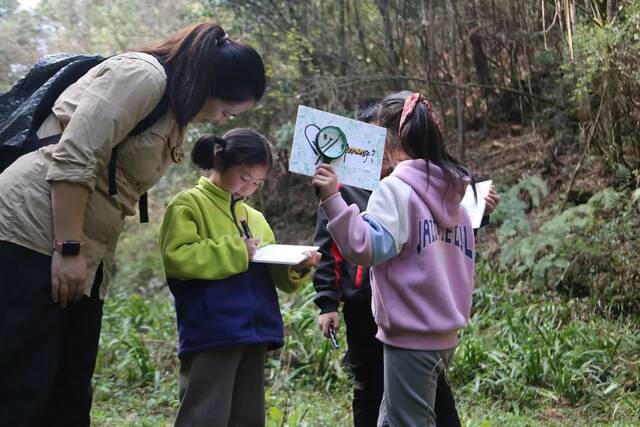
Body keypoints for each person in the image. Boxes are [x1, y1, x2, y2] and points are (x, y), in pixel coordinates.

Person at [0, 22, 266, 427]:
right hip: (32, 233)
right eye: (228, 109)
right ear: (211, 83)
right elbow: (74, 156)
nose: (223, 119)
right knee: (24, 382)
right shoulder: (142, 76)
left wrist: (84, 255)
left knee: (69, 388)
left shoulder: (174, 110)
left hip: (87, 251)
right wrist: (68, 248)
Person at [313, 97, 499, 427]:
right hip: (442, 330)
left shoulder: (395, 189)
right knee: (393, 414)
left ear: (389, 142)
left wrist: (331, 199)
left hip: (410, 331)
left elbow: (365, 246)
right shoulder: (454, 188)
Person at [159, 129, 321, 427]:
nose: (248, 189)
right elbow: (177, 258)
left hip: (254, 331)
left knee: (247, 415)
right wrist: (237, 250)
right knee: (205, 413)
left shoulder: (255, 218)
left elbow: (275, 275)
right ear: (219, 162)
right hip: (212, 329)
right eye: (244, 178)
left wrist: (298, 266)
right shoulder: (188, 205)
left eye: (257, 183)